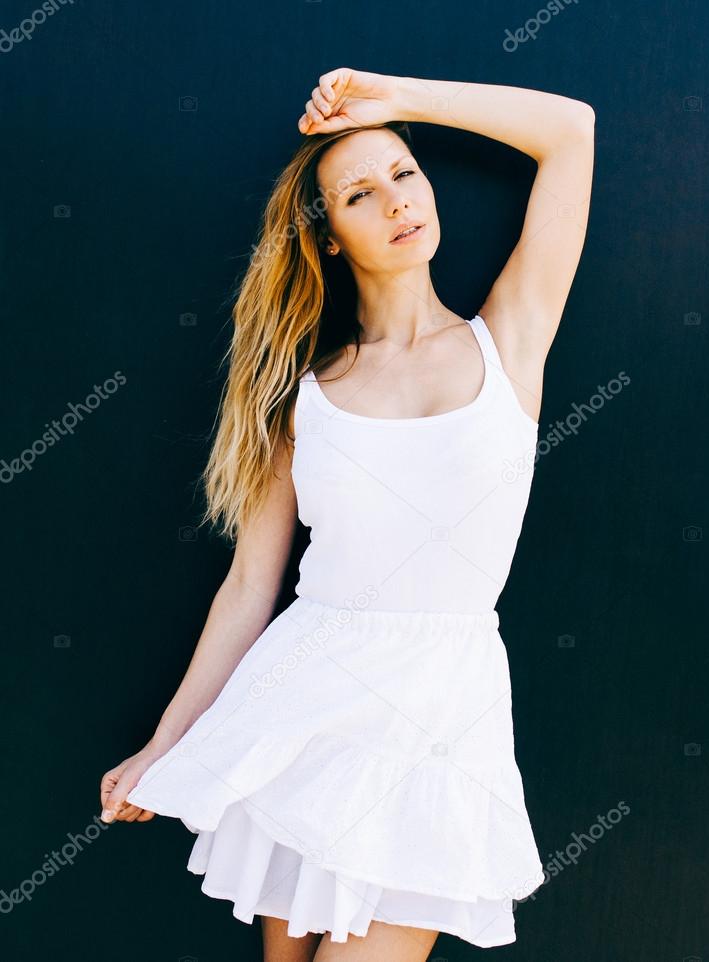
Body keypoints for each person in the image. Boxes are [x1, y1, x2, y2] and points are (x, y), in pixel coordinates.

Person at [99, 67, 594, 961]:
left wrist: (394, 101)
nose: (398, 202)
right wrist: (164, 745)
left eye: (405, 173)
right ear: (328, 238)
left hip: (444, 720)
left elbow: (570, 129)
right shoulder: (303, 400)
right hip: (304, 712)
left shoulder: (510, 338)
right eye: (360, 195)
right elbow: (250, 586)